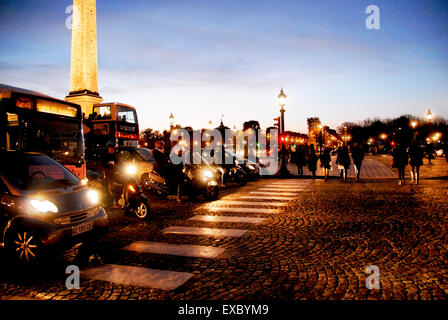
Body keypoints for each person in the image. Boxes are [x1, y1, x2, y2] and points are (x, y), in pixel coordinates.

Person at [101, 141, 118, 207]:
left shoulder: (114, 155)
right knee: (108, 187)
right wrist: (108, 165)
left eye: (113, 148)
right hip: (107, 173)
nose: (112, 149)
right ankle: (109, 202)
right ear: (107, 148)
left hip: (114, 173)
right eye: (110, 148)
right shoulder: (104, 156)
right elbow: (103, 165)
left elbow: (118, 162)